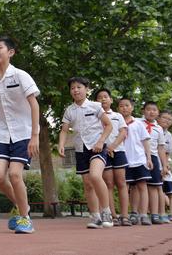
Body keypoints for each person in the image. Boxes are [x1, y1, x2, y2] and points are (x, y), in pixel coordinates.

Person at [0, 37, 40, 234]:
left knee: (14, 174)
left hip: (23, 133)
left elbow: (34, 104)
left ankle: (24, 218)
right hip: (2, 135)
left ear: (10, 52)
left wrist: (35, 135)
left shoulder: (21, 76)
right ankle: (24, 207)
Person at [58, 77, 113, 229]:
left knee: (96, 176)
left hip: (97, 147)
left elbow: (108, 126)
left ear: (86, 89)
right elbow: (64, 130)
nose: (75, 90)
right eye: (72, 88)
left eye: (79, 87)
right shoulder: (69, 110)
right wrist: (61, 145)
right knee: (88, 184)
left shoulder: (95, 106)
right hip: (80, 149)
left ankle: (106, 212)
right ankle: (95, 217)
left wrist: (101, 141)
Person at [94, 89, 130, 226]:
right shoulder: (95, 116)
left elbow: (123, 132)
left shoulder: (117, 116)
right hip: (102, 152)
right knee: (108, 183)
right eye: (99, 97)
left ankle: (125, 215)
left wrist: (113, 146)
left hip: (118, 151)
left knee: (121, 183)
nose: (103, 99)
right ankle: (112, 215)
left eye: (105, 97)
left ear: (111, 100)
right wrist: (105, 147)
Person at [118, 97, 153, 226]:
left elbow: (145, 141)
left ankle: (143, 214)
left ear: (132, 108)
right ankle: (129, 214)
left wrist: (148, 158)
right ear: (118, 109)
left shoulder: (138, 124)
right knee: (126, 187)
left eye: (127, 105)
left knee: (142, 186)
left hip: (139, 159)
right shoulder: (116, 123)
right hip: (123, 160)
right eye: (121, 106)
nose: (124, 108)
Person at [139, 102, 169, 225]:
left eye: (154, 110)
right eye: (148, 109)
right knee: (138, 186)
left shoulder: (159, 129)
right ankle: (140, 213)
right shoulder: (138, 124)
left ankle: (156, 214)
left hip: (154, 158)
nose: (151, 112)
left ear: (158, 113)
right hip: (139, 157)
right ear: (143, 111)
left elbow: (161, 148)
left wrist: (164, 165)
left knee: (155, 187)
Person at [158, 110, 172, 222]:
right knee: (158, 189)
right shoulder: (153, 129)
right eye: (164, 118)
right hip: (155, 163)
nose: (167, 121)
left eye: (169, 119)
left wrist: (166, 164)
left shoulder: (169, 135)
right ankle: (160, 212)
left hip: (165, 164)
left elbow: (168, 151)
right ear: (158, 118)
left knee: (171, 191)